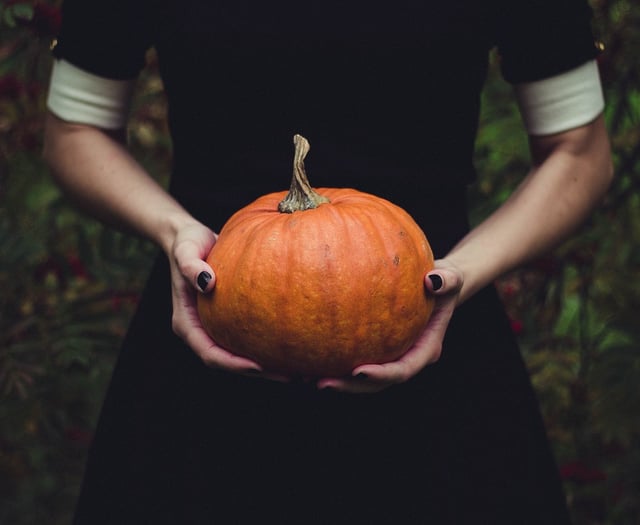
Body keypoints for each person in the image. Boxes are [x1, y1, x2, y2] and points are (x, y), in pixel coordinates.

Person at [43, 0, 613, 522]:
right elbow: (74, 130)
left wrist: (461, 274)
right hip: (210, 317)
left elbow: (579, 152)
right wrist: (175, 233)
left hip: (433, 325)